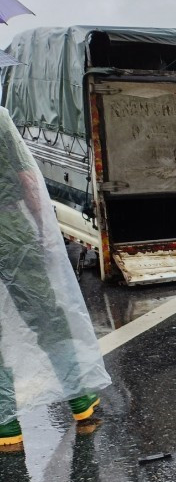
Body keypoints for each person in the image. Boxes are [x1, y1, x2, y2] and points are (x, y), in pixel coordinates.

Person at [0, 107, 112, 453]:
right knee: (47, 317)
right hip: (10, 231)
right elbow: (28, 178)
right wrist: (46, 233)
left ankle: (6, 424)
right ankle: (80, 402)